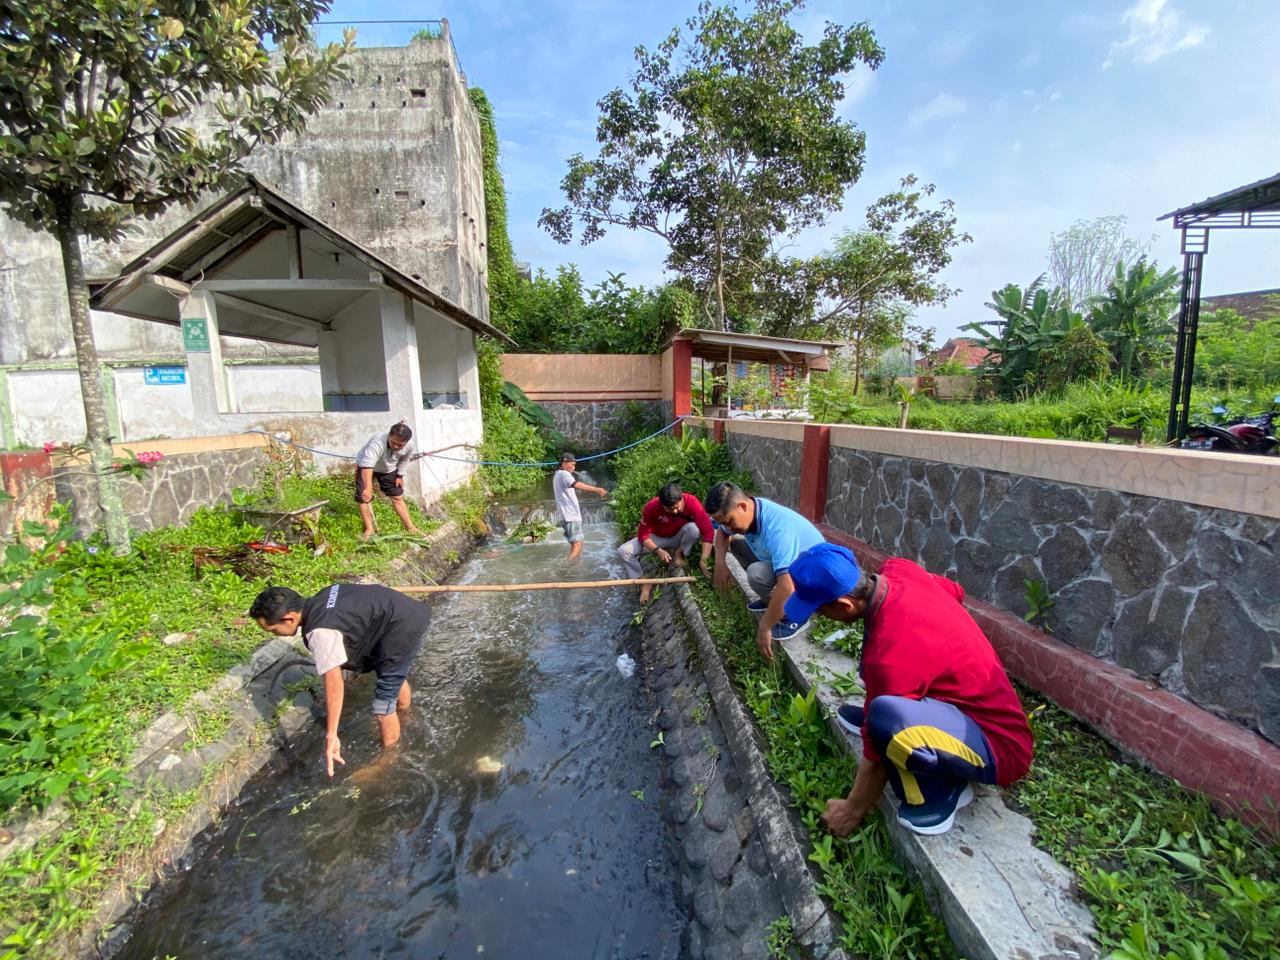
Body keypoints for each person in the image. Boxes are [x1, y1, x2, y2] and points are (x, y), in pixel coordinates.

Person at [782, 543, 1034, 836]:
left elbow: (876, 760)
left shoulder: (891, 656)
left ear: (843, 606)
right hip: (958, 710)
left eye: (819, 611)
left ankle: (941, 791)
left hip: (999, 747)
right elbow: (954, 591)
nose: (819, 617)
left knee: (886, 718)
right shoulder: (900, 571)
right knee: (880, 696)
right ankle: (911, 717)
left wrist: (852, 809)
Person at [250, 582, 431, 776]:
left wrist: (331, 734)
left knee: (382, 705)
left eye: (272, 630)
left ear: (289, 618)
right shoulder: (322, 596)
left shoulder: (320, 633)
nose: (274, 635)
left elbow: (334, 683)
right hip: (405, 614)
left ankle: (389, 760)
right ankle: (405, 714)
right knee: (391, 673)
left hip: (401, 627)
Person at [704, 480, 825, 659]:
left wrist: (765, 626)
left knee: (756, 574)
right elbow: (722, 533)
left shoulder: (778, 528)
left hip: (813, 576)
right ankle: (771, 600)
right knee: (737, 544)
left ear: (742, 506)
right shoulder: (749, 511)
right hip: (787, 564)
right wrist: (720, 564)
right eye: (723, 522)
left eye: (729, 521)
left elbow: (787, 585)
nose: (728, 527)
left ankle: (796, 614)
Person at [617, 482, 715, 603]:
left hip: (680, 537)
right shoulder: (652, 507)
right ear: (661, 504)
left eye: (676, 507)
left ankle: (679, 553)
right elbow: (643, 536)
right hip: (658, 539)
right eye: (669, 509)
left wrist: (704, 560)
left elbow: (708, 531)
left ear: (681, 499)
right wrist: (657, 550)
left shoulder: (691, 501)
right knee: (623, 551)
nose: (674, 511)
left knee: (694, 529)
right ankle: (644, 582)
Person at [354, 422, 421, 539]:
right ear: (389, 435)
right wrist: (368, 488)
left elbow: (405, 459)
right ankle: (370, 529)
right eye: (393, 443)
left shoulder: (410, 446)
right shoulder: (377, 442)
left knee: (397, 496)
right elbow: (367, 465)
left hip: (388, 468)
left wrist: (400, 475)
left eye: (400, 445)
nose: (396, 447)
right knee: (363, 497)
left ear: (406, 442)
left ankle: (410, 527)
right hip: (366, 467)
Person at [553, 452, 607, 559]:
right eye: (572, 464)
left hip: (566, 516)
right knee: (577, 545)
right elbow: (576, 484)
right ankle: (567, 567)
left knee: (577, 544)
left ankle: (575, 566)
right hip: (571, 516)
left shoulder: (557, 474)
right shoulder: (564, 474)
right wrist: (596, 489)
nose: (574, 467)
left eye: (574, 465)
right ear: (564, 464)